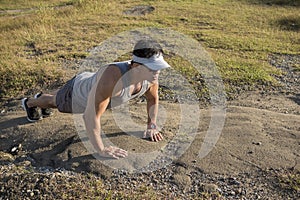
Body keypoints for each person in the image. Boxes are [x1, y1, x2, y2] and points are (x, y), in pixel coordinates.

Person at [21, 39, 171, 159]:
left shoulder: (151, 77)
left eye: (158, 66)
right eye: (152, 67)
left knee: (56, 97)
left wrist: (151, 125)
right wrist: (101, 149)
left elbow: (152, 100)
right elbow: (90, 116)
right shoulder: (113, 78)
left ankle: (43, 97)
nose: (157, 71)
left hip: (92, 85)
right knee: (54, 102)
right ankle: (30, 102)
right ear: (137, 65)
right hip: (78, 93)